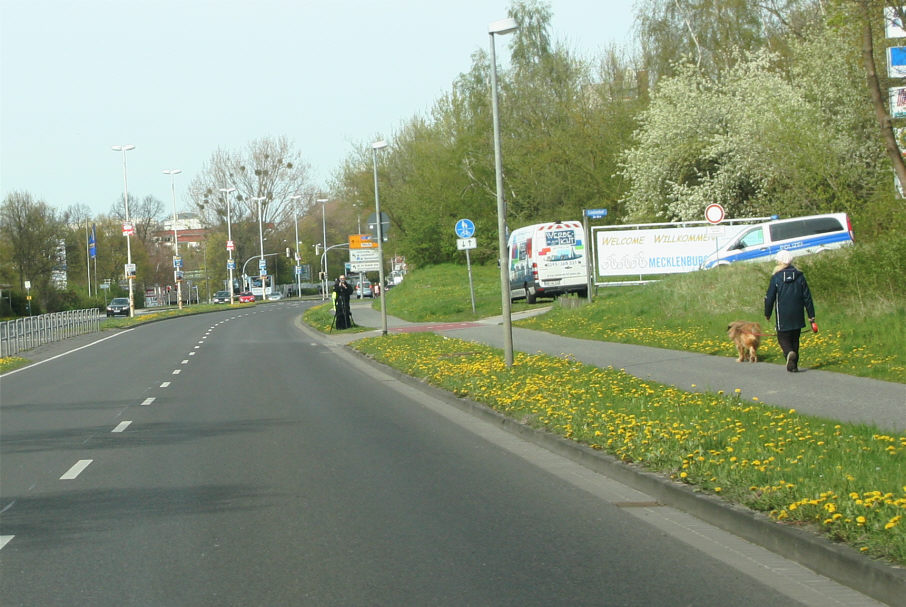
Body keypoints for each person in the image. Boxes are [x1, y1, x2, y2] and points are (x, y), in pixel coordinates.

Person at [764, 250, 816, 372]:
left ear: (779, 262)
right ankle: (794, 365)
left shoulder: (776, 277)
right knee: (795, 338)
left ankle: (789, 353)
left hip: (782, 314)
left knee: (783, 337)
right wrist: (811, 315)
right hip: (798, 313)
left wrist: (767, 313)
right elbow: (807, 297)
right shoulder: (800, 276)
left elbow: (769, 297)